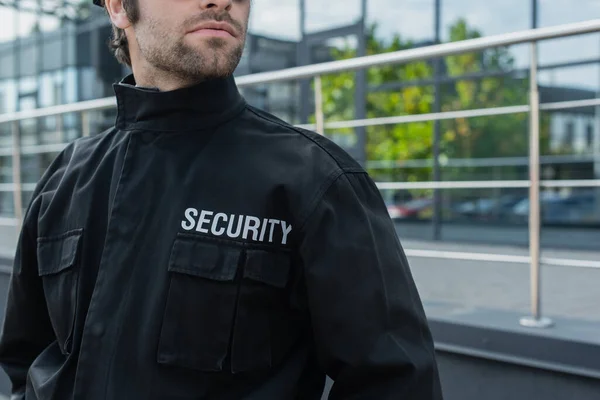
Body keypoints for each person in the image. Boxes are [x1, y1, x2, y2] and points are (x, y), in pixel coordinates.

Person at [0, 0, 443, 398]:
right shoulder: (65, 178)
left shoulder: (315, 180)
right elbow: (26, 362)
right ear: (118, 7)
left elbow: (397, 384)